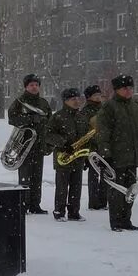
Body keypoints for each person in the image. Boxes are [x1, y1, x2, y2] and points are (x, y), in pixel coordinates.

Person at [95, 74, 138, 232]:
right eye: (125, 88)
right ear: (117, 90)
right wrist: (106, 153)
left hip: (132, 156)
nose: (129, 91)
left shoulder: (136, 106)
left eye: (131, 88)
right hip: (116, 156)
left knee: (130, 189)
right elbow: (103, 131)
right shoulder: (109, 107)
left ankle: (126, 220)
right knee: (117, 190)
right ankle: (116, 221)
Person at [7, 74, 52, 214]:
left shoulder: (44, 103)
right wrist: (30, 119)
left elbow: (50, 123)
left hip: (39, 144)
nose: (34, 87)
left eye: (36, 85)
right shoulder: (19, 102)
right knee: (25, 176)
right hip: (25, 144)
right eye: (31, 85)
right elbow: (12, 118)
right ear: (26, 86)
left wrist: (48, 143)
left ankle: (35, 205)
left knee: (37, 176)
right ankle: (24, 205)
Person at [43, 87, 89, 221]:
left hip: (78, 157)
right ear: (65, 101)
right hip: (63, 156)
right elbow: (48, 135)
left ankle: (74, 212)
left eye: (78, 98)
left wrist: (85, 156)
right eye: (72, 99)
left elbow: (85, 137)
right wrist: (63, 143)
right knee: (62, 187)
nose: (76, 101)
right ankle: (59, 211)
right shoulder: (57, 116)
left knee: (76, 186)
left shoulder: (82, 117)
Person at [80, 84, 107, 210]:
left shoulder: (104, 109)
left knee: (106, 175)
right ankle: (94, 201)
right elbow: (85, 130)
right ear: (89, 97)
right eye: (96, 95)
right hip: (93, 147)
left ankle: (103, 200)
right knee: (94, 175)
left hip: (105, 146)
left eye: (99, 95)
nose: (99, 97)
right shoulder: (86, 111)